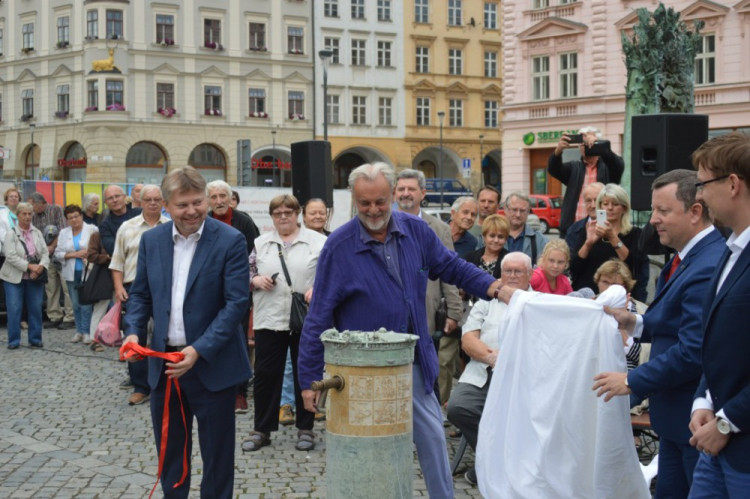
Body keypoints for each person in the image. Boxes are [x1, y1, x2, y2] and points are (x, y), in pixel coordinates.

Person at [298, 162, 503, 499]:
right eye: (364, 204)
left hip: (415, 363)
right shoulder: (339, 245)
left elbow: (451, 266)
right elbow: (318, 316)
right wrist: (308, 379)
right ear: (354, 199)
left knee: (434, 442)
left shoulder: (415, 231)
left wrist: (493, 286)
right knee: (371, 451)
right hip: (364, 372)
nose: (374, 210)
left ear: (392, 194)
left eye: (380, 201)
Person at [592, 169, 725, 498]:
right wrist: (633, 322)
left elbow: (693, 349)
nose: (653, 220)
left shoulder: (707, 262)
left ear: (695, 212)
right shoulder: (686, 256)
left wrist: (630, 381)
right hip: (674, 419)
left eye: (663, 211)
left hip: (693, 420)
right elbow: (673, 320)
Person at [122, 166, 251, 498]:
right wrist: (134, 330)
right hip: (165, 367)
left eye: (198, 202)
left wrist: (198, 350)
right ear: (166, 205)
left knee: (217, 456)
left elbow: (236, 304)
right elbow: (140, 294)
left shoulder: (230, 240)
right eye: (183, 205)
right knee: (171, 454)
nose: (192, 211)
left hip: (212, 365)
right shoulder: (152, 240)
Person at [682, 132, 750, 496]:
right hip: (715, 441)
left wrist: (726, 424)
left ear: (734, 184)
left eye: (703, 183)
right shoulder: (730, 248)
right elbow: (718, 343)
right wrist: (703, 400)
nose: (699, 195)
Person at [240, 194, 326, 452]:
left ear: (298, 213)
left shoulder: (318, 242)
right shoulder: (261, 242)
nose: (283, 217)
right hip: (270, 318)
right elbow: (247, 272)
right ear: (272, 217)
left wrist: (317, 290)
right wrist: (255, 282)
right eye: (278, 213)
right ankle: (262, 429)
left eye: (288, 212)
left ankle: (306, 428)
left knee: (306, 374)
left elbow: (331, 274)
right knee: (266, 375)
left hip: (306, 318)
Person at [447, 252, 532, 486]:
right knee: (458, 407)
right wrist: (492, 357)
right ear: (500, 274)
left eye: (518, 271)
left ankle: (490, 466)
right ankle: (500, 463)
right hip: (483, 371)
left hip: (522, 377)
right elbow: (468, 340)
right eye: (508, 271)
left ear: (530, 274)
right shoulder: (486, 303)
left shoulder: (539, 303)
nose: (512, 276)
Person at [393, 168, 463, 405]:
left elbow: (450, 271)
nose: (405, 193)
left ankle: (429, 415)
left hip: (427, 311)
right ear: (394, 193)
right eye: (401, 189)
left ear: (422, 193)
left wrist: (454, 311)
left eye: (411, 189)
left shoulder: (439, 228)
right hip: (392, 312)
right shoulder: (382, 225)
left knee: (427, 370)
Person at [111, 185, 170, 407]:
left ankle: (163, 380)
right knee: (134, 335)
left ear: (163, 203)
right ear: (140, 202)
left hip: (164, 289)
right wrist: (118, 288)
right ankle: (140, 386)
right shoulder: (127, 227)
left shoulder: (172, 226)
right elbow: (117, 261)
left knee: (163, 335)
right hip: (134, 288)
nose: (153, 203)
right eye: (149, 199)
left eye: (157, 199)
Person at [206, 179, 259, 414]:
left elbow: (254, 254)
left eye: (222, 196)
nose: (218, 201)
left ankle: (239, 391)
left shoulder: (243, 221)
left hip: (238, 290)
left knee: (237, 339)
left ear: (230, 198)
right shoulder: (203, 221)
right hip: (208, 290)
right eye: (214, 197)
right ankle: (214, 385)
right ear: (208, 200)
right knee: (211, 336)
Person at [569, 183, 647, 300]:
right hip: (589, 296)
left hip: (620, 299)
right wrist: (588, 243)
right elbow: (574, 268)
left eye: (615, 204)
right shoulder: (589, 229)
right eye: (605, 204)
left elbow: (635, 266)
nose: (610, 208)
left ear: (624, 208)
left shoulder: (635, 233)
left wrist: (612, 237)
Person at [547, 126, 624, 237]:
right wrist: (558, 151)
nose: (585, 146)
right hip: (573, 230)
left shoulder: (608, 166)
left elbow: (618, 165)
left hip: (603, 230)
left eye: (589, 142)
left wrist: (600, 146)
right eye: (582, 143)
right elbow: (553, 169)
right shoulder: (574, 167)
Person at [1, 202, 49, 349]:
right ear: (18, 215)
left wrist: (40, 267)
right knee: (14, 309)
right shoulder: (11, 234)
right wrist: (29, 266)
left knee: (35, 308)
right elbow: (10, 256)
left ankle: (35, 339)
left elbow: (45, 253)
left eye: (29, 214)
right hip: (13, 278)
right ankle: (14, 341)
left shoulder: (38, 233)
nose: (27, 217)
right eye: (24, 214)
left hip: (34, 278)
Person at [29, 192, 75, 329]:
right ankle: (54, 315)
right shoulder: (33, 217)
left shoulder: (56, 210)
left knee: (66, 287)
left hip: (61, 254)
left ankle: (70, 317)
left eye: (33, 206)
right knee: (51, 288)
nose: (31, 209)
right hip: (46, 257)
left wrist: (52, 246)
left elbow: (63, 230)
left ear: (40, 203)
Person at [54, 205, 98, 344]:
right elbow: (58, 253)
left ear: (81, 216)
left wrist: (88, 254)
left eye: (76, 216)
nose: (74, 220)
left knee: (86, 304)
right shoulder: (63, 233)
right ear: (67, 220)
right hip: (71, 273)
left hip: (87, 272)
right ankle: (78, 331)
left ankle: (87, 331)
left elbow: (97, 249)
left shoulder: (92, 229)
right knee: (75, 304)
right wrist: (75, 254)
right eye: (70, 218)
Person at [593, 259, 642, 373]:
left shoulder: (638, 312)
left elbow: (639, 356)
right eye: (605, 282)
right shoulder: (590, 305)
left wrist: (621, 323)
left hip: (625, 377)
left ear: (625, 287)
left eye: (615, 285)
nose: (610, 288)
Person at [503, 192, 548, 265]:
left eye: (522, 211)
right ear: (505, 209)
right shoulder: (493, 237)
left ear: (528, 212)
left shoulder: (540, 241)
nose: (518, 215)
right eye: (514, 210)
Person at [99, 185, 141, 257]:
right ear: (105, 202)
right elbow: (113, 249)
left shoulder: (140, 214)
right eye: (110, 198)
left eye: (117, 196)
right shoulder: (105, 225)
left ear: (124, 197)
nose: (115, 200)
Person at [564, 182, 605, 255]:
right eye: (589, 201)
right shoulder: (573, 230)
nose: (593, 205)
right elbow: (570, 261)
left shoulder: (616, 227)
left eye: (597, 200)